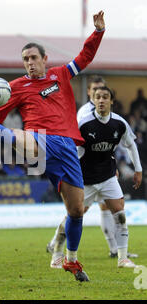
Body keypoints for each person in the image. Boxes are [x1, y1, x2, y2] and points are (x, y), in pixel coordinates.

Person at [0, 11, 106, 282]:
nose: (30, 63)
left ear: (45, 59)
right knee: (29, 140)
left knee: (77, 211)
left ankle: (70, 259)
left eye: (34, 58)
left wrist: (98, 32)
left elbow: (85, 57)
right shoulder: (14, 88)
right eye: (25, 59)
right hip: (40, 139)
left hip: (67, 147)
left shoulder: (60, 74)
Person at [49, 86, 142, 269]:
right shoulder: (84, 124)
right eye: (97, 97)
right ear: (93, 100)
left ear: (111, 101)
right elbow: (73, 152)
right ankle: (57, 254)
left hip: (107, 176)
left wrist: (138, 170)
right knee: (73, 216)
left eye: (105, 97)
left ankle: (123, 258)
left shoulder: (119, 123)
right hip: (85, 179)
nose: (101, 100)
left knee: (120, 213)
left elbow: (131, 145)